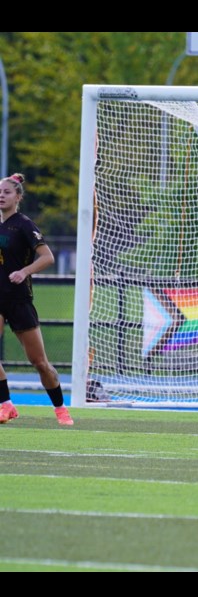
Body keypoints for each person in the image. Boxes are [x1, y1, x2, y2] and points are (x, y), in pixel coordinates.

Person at [0, 174, 73, 426]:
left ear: (18, 196)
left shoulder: (24, 224)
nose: (1, 195)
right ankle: (6, 404)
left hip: (18, 300)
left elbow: (47, 257)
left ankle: (61, 408)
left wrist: (24, 271)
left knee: (39, 363)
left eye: (7, 192)